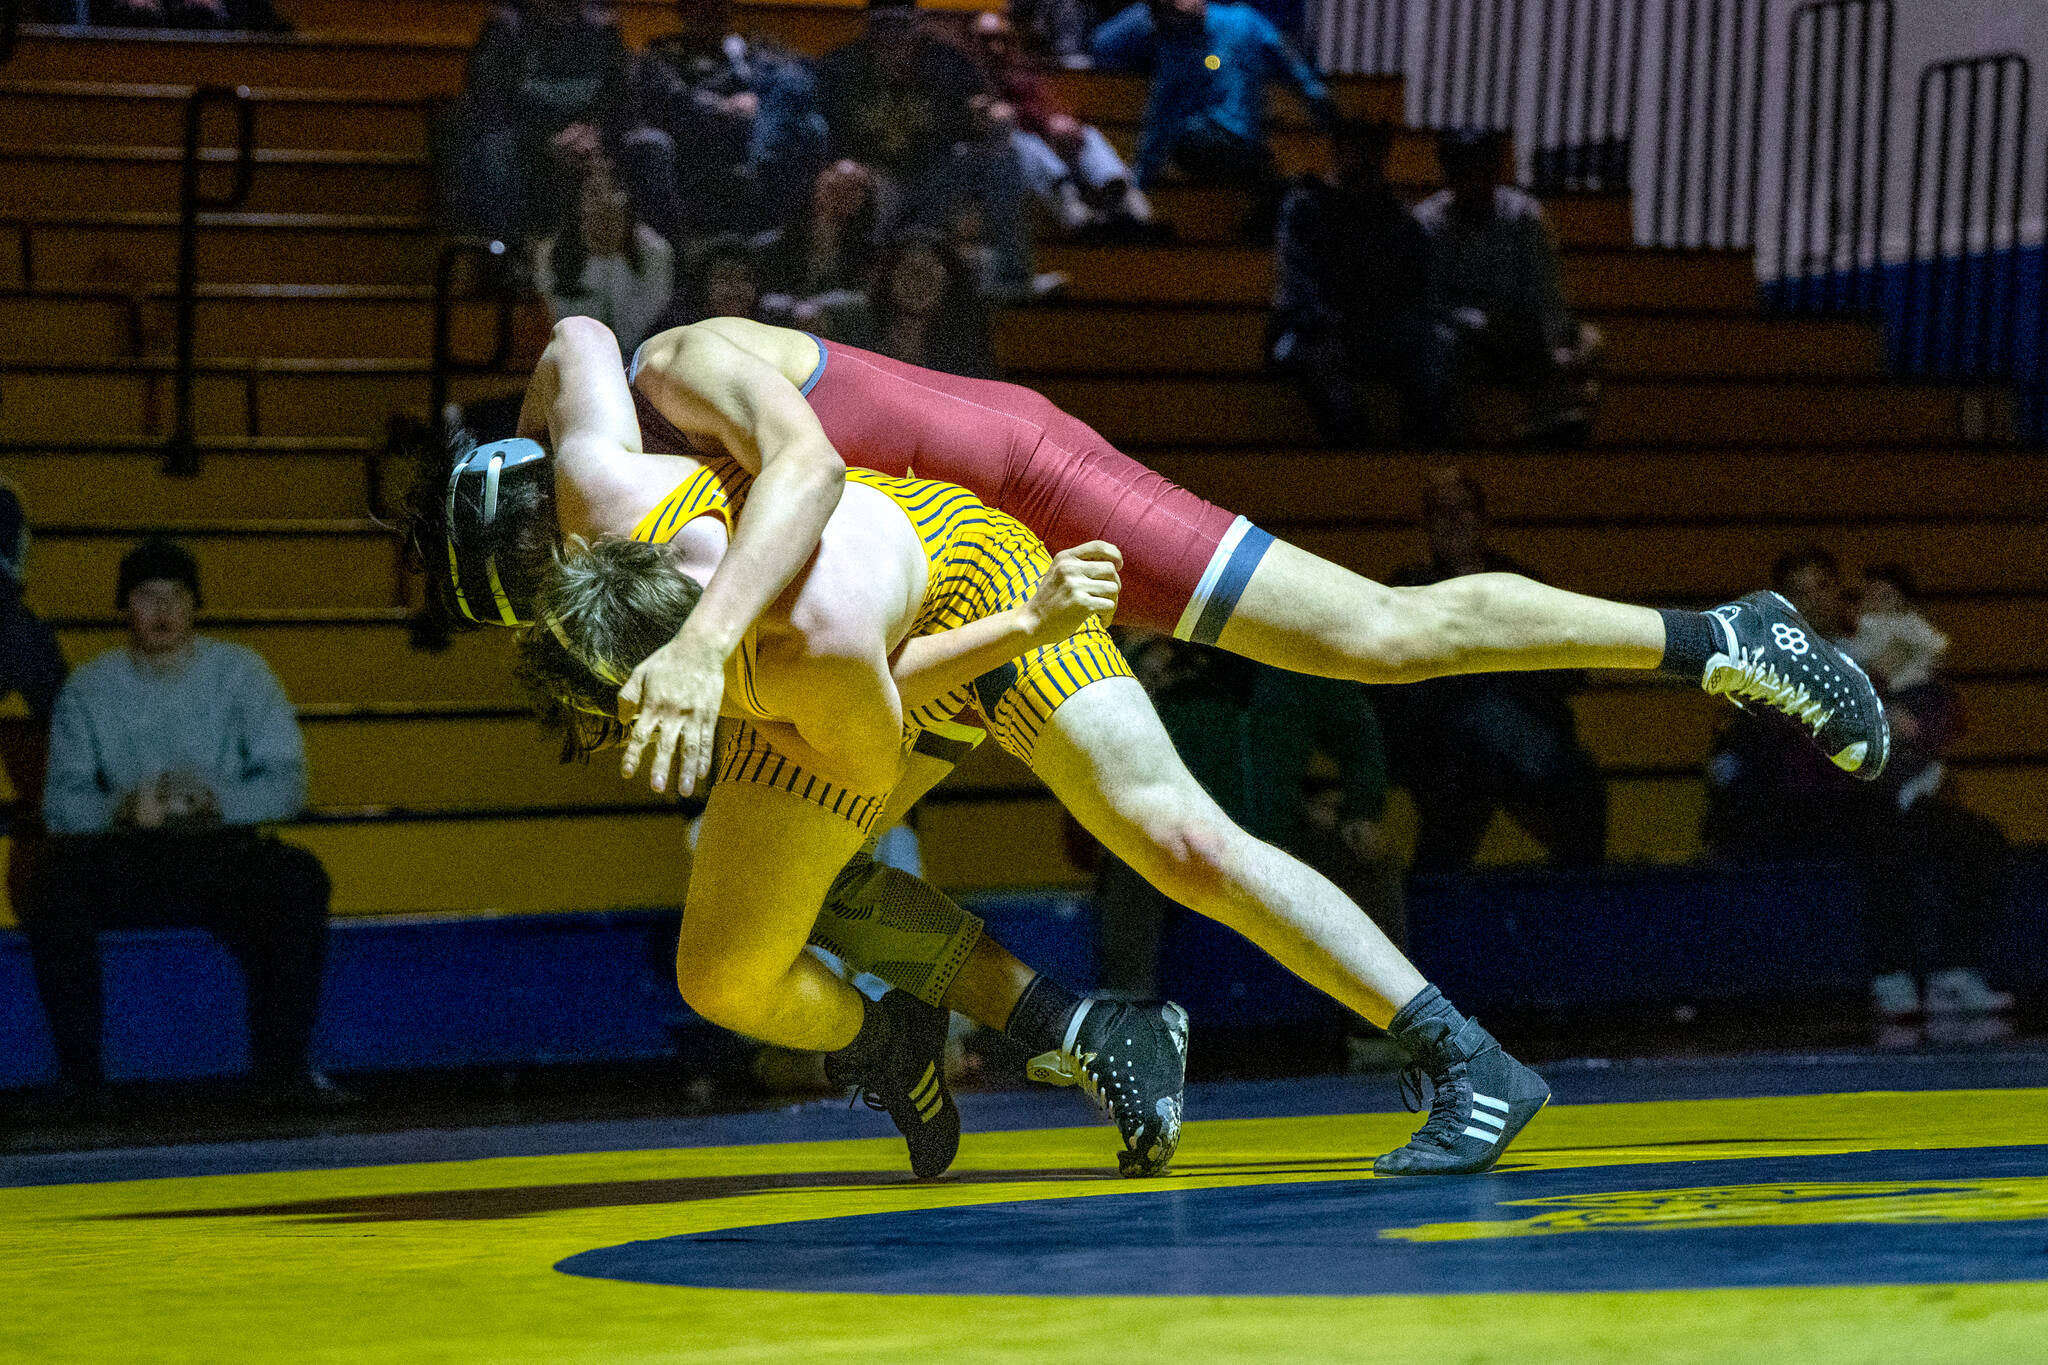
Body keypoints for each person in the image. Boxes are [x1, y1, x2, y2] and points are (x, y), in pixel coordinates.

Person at [517, 425, 1556, 1181]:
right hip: (863, 634)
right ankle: (1006, 1035)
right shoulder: (601, 487)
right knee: (730, 961)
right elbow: (575, 338)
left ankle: (1465, 1054)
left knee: (1179, 837)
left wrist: (1023, 625)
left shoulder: (806, 648)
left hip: (980, 582)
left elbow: (872, 750)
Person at [409, 314, 1887, 824]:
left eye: (553, 545)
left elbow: (806, 468)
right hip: (952, 572)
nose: (589, 561)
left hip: (1025, 483)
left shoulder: (679, 372)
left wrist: (691, 644)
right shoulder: (608, 480)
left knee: (1370, 634)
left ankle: (1716, 634)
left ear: (541, 491)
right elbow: (565, 356)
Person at [17, 539, 339, 1112]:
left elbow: (288, 783)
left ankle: (284, 1073)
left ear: (194, 605)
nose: (163, 611)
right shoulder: (90, 687)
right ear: (125, 608)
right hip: (123, 856)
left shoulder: (241, 672)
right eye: (147, 597)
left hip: (217, 849)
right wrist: (119, 809)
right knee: (52, 881)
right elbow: (60, 807)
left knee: (298, 878)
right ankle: (82, 1081)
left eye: (176, 597)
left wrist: (219, 800)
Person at [1381, 470, 1608, 871]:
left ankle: (1572, 907)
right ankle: (1434, 910)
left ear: (1483, 518)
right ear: (1427, 525)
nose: (1453, 520)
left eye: (1462, 508)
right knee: (1465, 769)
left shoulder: (1522, 585)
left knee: (1582, 782)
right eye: (1440, 511)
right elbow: (1396, 690)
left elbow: (1566, 670)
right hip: (1443, 747)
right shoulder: (1407, 590)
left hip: (1523, 738)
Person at [1271, 118, 1452, 446]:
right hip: (1316, 330)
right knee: (1313, 353)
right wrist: (1325, 318)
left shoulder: (1396, 214)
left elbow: (1416, 285)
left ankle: (1422, 448)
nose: (1365, 159)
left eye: (1373, 151)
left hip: (1375, 330)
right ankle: (1355, 446)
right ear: (1339, 152)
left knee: (1433, 342)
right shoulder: (1305, 206)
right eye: (1356, 149)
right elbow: (1296, 283)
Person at [435, 0, 677, 246]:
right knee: (493, 153)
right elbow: (486, 108)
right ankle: (506, 259)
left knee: (653, 146)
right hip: (526, 146)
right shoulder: (505, 28)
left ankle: (654, 258)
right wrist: (544, 140)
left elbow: (624, 107)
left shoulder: (602, 27)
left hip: (590, 144)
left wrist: (597, 135)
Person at [1414, 129, 1600, 447]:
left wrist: (1557, 343)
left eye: (1482, 171)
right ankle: (1455, 441)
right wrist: (1477, 322)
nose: (1475, 182)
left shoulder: (1523, 215)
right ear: (1449, 175)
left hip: (1517, 329)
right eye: (1465, 172)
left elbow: (1546, 288)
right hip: (1460, 333)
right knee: (1438, 344)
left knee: (1589, 343)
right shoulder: (1428, 222)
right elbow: (1426, 300)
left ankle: (1551, 430)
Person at [1089, 0, 1335, 235]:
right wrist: (1141, 181)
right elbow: (1161, 116)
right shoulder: (1176, 46)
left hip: (1243, 148)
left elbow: (1290, 63)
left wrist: (1318, 102)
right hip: (1206, 151)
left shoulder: (1243, 22)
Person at [640, 0, 827, 233]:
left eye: (720, 6)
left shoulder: (746, 49)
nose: (714, 13)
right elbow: (671, 100)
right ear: (684, 12)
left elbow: (797, 75)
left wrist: (763, 104)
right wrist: (725, 106)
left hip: (757, 128)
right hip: (706, 138)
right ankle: (763, 162)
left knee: (806, 110)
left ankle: (790, 234)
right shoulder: (667, 53)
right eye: (703, 7)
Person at [970, 12, 1154, 236]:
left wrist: (1056, 122)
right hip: (995, 154)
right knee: (1023, 142)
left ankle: (1119, 192)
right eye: (986, 40)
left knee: (1085, 134)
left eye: (1001, 39)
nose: (995, 47)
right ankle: (1073, 209)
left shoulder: (1019, 72)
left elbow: (1041, 108)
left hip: (1038, 137)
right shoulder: (965, 77)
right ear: (972, 42)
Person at [534, 156, 676, 356]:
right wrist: (597, 262)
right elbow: (560, 326)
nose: (604, 199)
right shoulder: (550, 253)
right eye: (593, 192)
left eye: (613, 187)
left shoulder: (655, 252)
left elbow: (635, 333)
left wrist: (615, 259)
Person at [869, 229, 996, 378]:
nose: (917, 285)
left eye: (928, 277)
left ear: (948, 283)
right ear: (889, 280)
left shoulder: (966, 345)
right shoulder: (866, 336)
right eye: (908, 274)